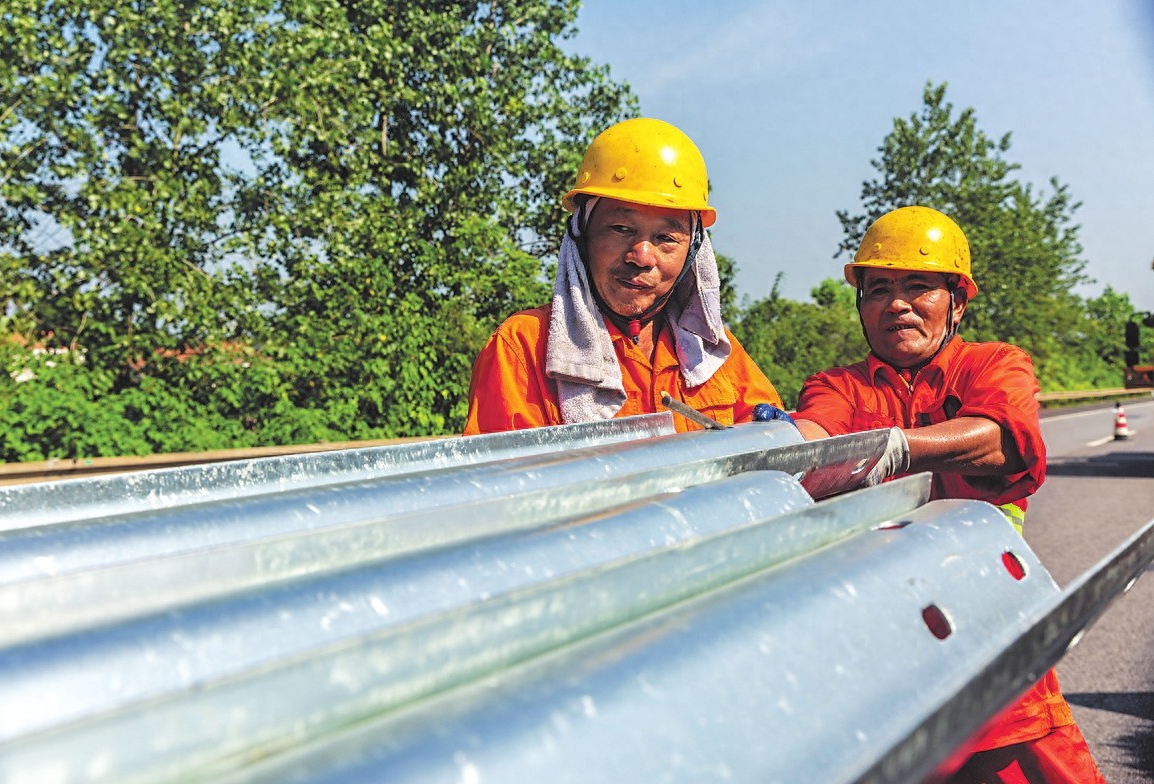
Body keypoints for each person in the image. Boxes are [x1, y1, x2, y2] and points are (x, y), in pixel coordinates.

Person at [775, 205, 1104, 783]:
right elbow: (816, 431)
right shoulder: (836, 386)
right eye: (878, 289)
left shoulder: (995, 364)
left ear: (957, 301)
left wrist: (897, 447)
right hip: (882, 643)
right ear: (861, 306)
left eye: (917, 286)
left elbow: (999, 441)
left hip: (991, 634)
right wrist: (778, 443)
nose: (896, 303)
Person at [463, 117, 782, 435]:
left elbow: (772, 457)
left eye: (666, 238)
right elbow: (507, 481)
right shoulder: (524, 349)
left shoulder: (711, 355)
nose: (642, 257)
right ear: (582, 235)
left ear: (693, 250)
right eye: (621, 229)